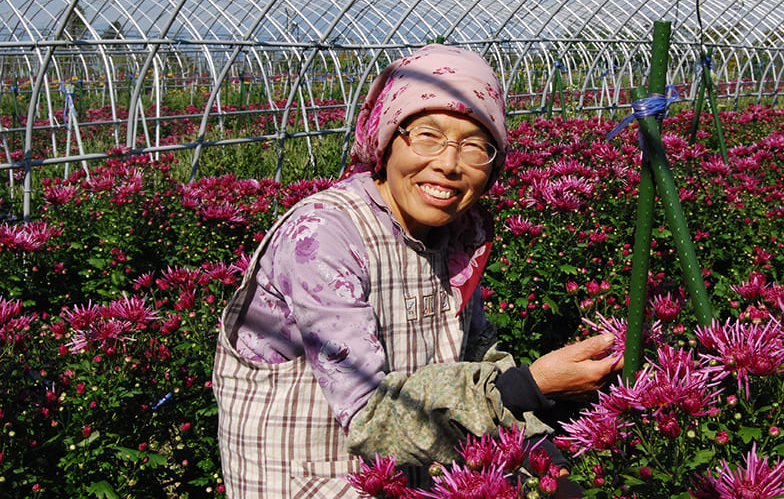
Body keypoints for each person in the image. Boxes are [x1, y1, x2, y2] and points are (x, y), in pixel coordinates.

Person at [212, 44, 622, 498]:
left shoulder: (457, 234)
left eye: (474, 146)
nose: (448, 163)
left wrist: (545, 458)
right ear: (387, 139)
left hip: (412, 481)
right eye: (427, 135)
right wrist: (530, 385)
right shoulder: (322, 236)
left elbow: (476, 357)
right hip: (308, 484)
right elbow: (373, 414)